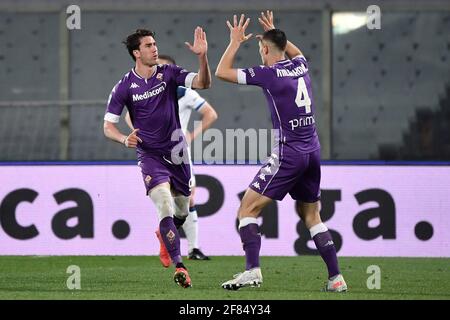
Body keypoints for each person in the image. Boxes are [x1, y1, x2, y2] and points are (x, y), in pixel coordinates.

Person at [215, 11, 347, 292]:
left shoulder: (268, 74)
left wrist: (235, 42)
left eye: (261, 49)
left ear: (264, 49)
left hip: (289, 152)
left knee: (247, 210)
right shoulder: (300, 65)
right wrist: (276, 33)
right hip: (312, 150)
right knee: (312, 216)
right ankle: (336, 278)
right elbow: (294, 50)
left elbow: (221, 72)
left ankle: (252, 271)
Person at [103, 27, 211, 288]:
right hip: (150, 155)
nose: (155, 48)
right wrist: (123, 138)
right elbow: (108, 126)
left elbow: (204, 83)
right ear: (136, 53)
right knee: (164, 204)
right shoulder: (124, 86)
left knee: (183, 209)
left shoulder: (169, 74)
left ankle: (165, 235)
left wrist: (202, 57)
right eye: (149, 45)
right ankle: (180, 266)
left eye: (155, 44)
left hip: (177, 153)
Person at [125, 54, 218, 262]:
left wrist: (191, 136)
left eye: (163, 68)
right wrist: (140, 132)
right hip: (155, 152)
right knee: (167, 198)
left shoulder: (185, 93)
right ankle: (184, 247)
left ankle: (190, 247)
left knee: (187, 198)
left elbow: (210, 114)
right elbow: (128, 116)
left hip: (178, 152)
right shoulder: (144, 93)